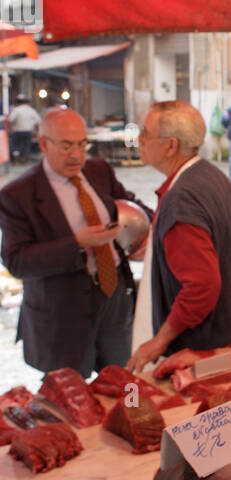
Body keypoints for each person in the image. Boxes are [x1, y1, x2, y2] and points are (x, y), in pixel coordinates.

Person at [0, 108, 150, 375]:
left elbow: (131, 204)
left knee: (126, 380)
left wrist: (145, 229)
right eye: (67, 146)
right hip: (61, 308)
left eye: (82, 144)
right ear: (44, 144)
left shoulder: (98, 170)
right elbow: (17, 261)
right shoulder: (18, 194)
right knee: (70, 396)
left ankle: (131, 413)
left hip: (113, 293)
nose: (77, 155)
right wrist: (77, 242)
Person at [128, 102, 231, 372]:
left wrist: (159, 342)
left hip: (210, 348)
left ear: (170, 146)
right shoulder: (210, 174)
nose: (139, 139)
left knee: (208, 413)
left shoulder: (181, 199)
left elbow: (201, 288)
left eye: (146, 133)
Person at [7, 96, 41, 161]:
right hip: (28, 131)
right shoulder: (31, 110)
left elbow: (10, 120)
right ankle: (25, 160)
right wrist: (38, 131)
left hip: (17, 131)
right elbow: (38, 121)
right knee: (27, 145)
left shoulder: (16, 109)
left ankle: (16, 160)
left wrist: (10, 129)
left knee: (16, 146)